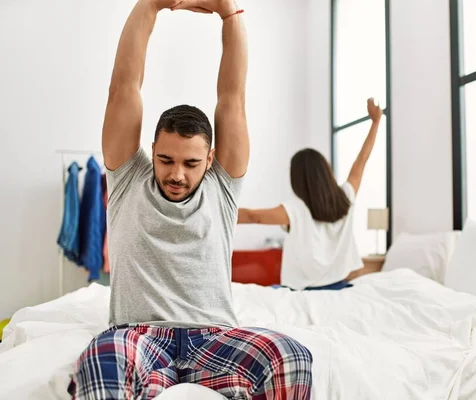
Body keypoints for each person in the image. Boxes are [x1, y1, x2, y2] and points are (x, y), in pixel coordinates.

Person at [68, 1, 313, 399]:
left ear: (211, 160)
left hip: (214, 337)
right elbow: (123, 88)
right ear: (151, 150)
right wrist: (151, 5)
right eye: (165, 160)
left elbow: (232, 98)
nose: (176, 174)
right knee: (101, 359)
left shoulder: (223, 186)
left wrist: (229, 11)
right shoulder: (129, 176)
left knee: (293, 358)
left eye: (190, 163)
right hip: (139, 334)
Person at [238, 98, 384, 291]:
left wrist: (213, 212)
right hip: (339, 287)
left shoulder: (295, 210)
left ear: (298, 180)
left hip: (302, 290)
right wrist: (375, 122)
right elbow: (361, 161)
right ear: (326, 172)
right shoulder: (346, 197)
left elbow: (253, 216)